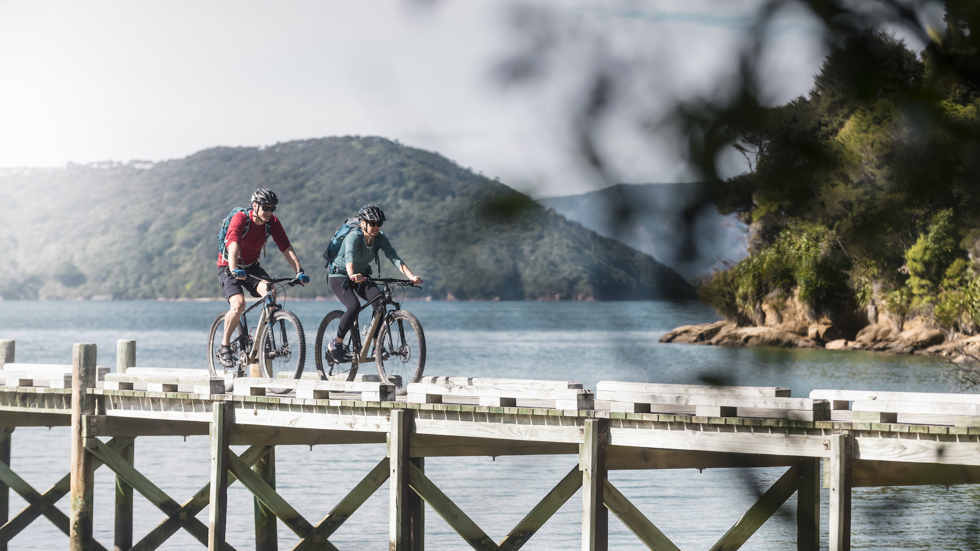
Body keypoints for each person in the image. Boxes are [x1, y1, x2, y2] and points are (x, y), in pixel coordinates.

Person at [216, 188, 309, 367]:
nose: (269, 212)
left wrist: (299, 270)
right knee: (238, 305)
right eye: (265, 208)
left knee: (270, 291)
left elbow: (285, 247)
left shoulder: (272, 222)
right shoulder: (241, 218)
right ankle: (224, 346)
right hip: (229, 266)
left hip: (252, 267)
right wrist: (234, 268)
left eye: (272, 208)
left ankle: (265, 337)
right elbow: (233, 243)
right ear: (255, 206)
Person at [327, 204, 422, 361]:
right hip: (340, 275)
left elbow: (394, 258)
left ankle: (376, 347)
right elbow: (349, 257)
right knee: (354, 306)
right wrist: (352, 274)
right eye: (372, 223)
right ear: (363, 223)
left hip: (362, 276)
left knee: (380, 303)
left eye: (379, 223)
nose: (376, 227)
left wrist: (412, 276)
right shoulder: (353, 237)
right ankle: (336, 343)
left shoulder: (380, 238)